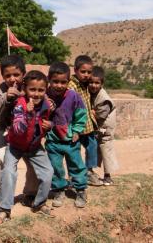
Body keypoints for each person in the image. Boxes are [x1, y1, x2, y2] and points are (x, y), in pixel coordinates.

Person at [0, 70, 54, 225]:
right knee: (8, 172)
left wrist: (49, 126)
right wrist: (28, 113)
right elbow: (18, 129)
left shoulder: (46, 105)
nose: (36, 94)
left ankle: (39, 203)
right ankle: (5, 209)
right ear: (25, 89)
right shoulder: (20, 104)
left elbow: (46, 122)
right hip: (15, 146)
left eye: (41, 90)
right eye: (32, 89)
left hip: (34, 146)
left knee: (48, 172)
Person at [0, 54, 38, 210]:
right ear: (2, 76)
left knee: (33, 162)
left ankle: (31, 193)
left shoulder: (30, 85)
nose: (12, 79)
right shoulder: (0, 90)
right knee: (1, 159)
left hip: (28, 133)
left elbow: (41, 98)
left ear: (23, 74)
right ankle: (1, 194)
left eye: (16, 74)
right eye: (7, 75)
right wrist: (6, 98)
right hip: (6, 132)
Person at [45, 62, 88, 208]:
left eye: (63, 82)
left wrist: (77, 130)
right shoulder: (44, 95)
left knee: (76, 164)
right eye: (55, 81)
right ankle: (59, 190)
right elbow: (38, 115)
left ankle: (81, 189)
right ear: (49, 80)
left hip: (70, 140)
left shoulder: (73, 96)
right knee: (56, 166)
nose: (59, 85)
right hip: (53, 140)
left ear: (68, 82)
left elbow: (81, 114)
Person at [68, 55, 103, 186]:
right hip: (76, 127)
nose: (87, 75)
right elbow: (69, 107)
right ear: (75, 70)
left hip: (87, 126)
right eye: (83, 72)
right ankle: (74, 176)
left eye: (89, 72)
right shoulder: (72, 86)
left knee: (92, 146)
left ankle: (89, 171)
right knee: (74, 152)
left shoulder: (85, 85)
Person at [89, 66, 119, 185]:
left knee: (106, 150)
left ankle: (107, 176)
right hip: (100, 128)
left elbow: (100, 116)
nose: (93, 85)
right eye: (91, 82)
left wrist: (91, 112)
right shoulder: (93, 94)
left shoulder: (104, 98)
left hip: (105, 129)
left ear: (102, 83)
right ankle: (89, 171)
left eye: (97, 83)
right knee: (95, 148)